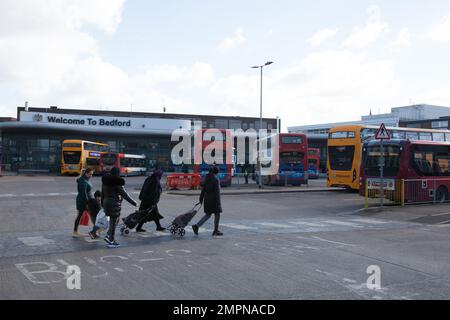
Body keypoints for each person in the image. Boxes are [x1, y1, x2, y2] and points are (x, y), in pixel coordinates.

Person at [102, 167, 137, 248]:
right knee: (114, 223)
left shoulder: (105, 181)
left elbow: (103, 194)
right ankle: (112, 241)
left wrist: (102, 204)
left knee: (113, 222)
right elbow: (124, 194)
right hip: (114, 204)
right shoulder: (117, 182)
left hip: (106, 203)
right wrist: (134, 203)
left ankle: (108, 236)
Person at [192, 166, 223, 236]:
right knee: (217, 214)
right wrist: (219, 203)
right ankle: (215, 230)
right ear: (216, 172)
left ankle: (197, 226)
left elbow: (203, 190)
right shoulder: (215, 179)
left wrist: (201, 199)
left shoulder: (206, 178)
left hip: (207, 199)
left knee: (208, 214)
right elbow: (217, 192)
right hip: (214, 200)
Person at [73, 168, 94, 237]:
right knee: (91, 214)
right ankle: (75, 232)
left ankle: (75, 232)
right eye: (90, 174)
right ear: (86, 173)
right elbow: (83, 193)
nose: (91, 175)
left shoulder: (86, 179)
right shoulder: (83, 181)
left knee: (89, 215)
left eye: (92, 174)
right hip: (83, 202)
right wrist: (87, 203)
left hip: (86, 201)